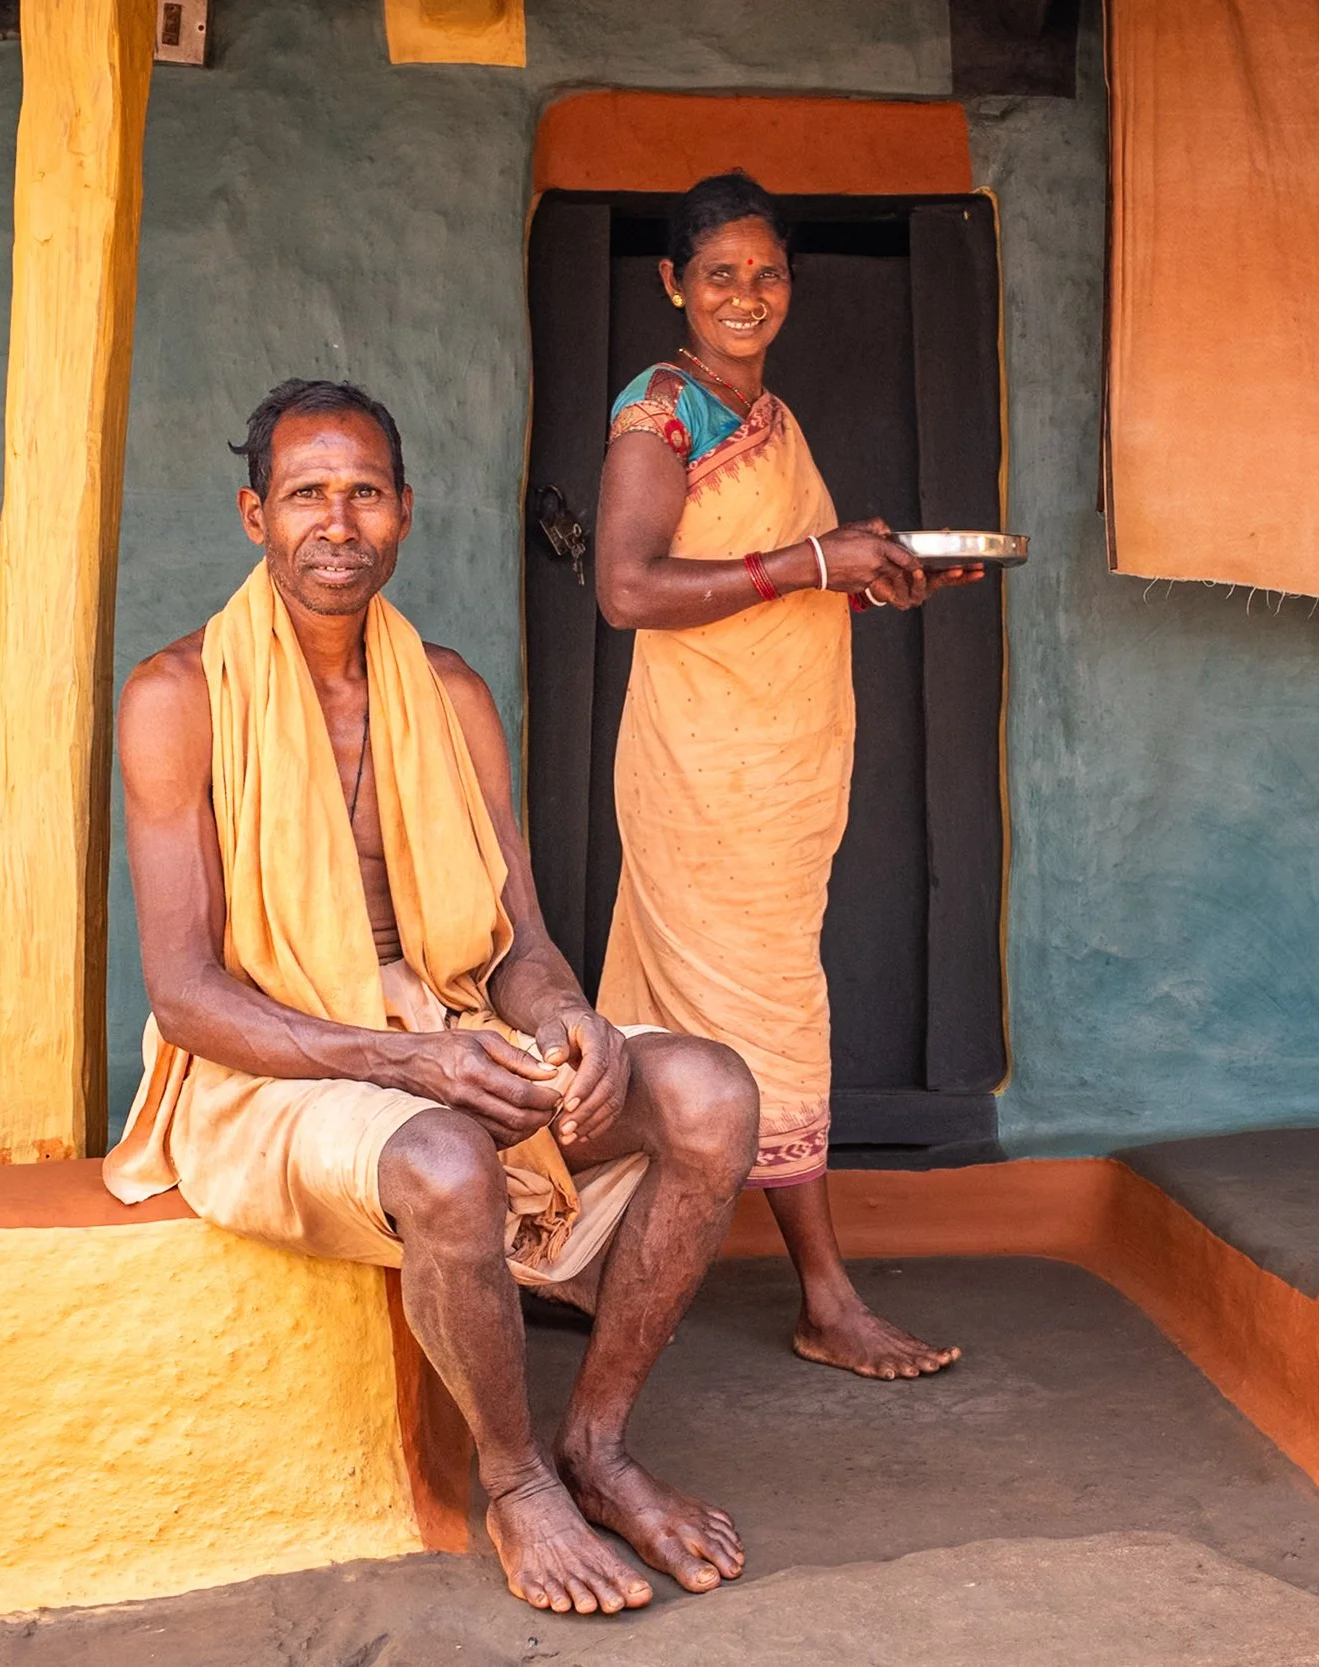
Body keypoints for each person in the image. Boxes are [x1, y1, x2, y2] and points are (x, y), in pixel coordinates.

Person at [106, 378, 757, 1616]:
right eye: (306, 493)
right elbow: (186, 992)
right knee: (451, 1160)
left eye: (363, 493)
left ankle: (599, 1444)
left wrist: (567, 1016)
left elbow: (516, 940)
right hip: (270, 1064)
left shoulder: (447, 692)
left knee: (710, 1094)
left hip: (446, 1026)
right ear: (256, 515)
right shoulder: (176, 697)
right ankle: (518, 1487)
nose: (335, 521)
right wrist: (408, 1063)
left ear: (405, 512)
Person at [592, 173, 979, 1382]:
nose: (745, 296)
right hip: (705, 778)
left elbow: (766, 586)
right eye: (719, 274)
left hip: (773, 770)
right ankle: (827, 1294)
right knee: (767, 1017)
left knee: (683, 1017)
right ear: (673, 286)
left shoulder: (769, 416)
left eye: (765, 274)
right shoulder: (663, 412)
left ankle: (572, 1256)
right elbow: (629, 589)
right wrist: (815, 557)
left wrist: (869, 573)